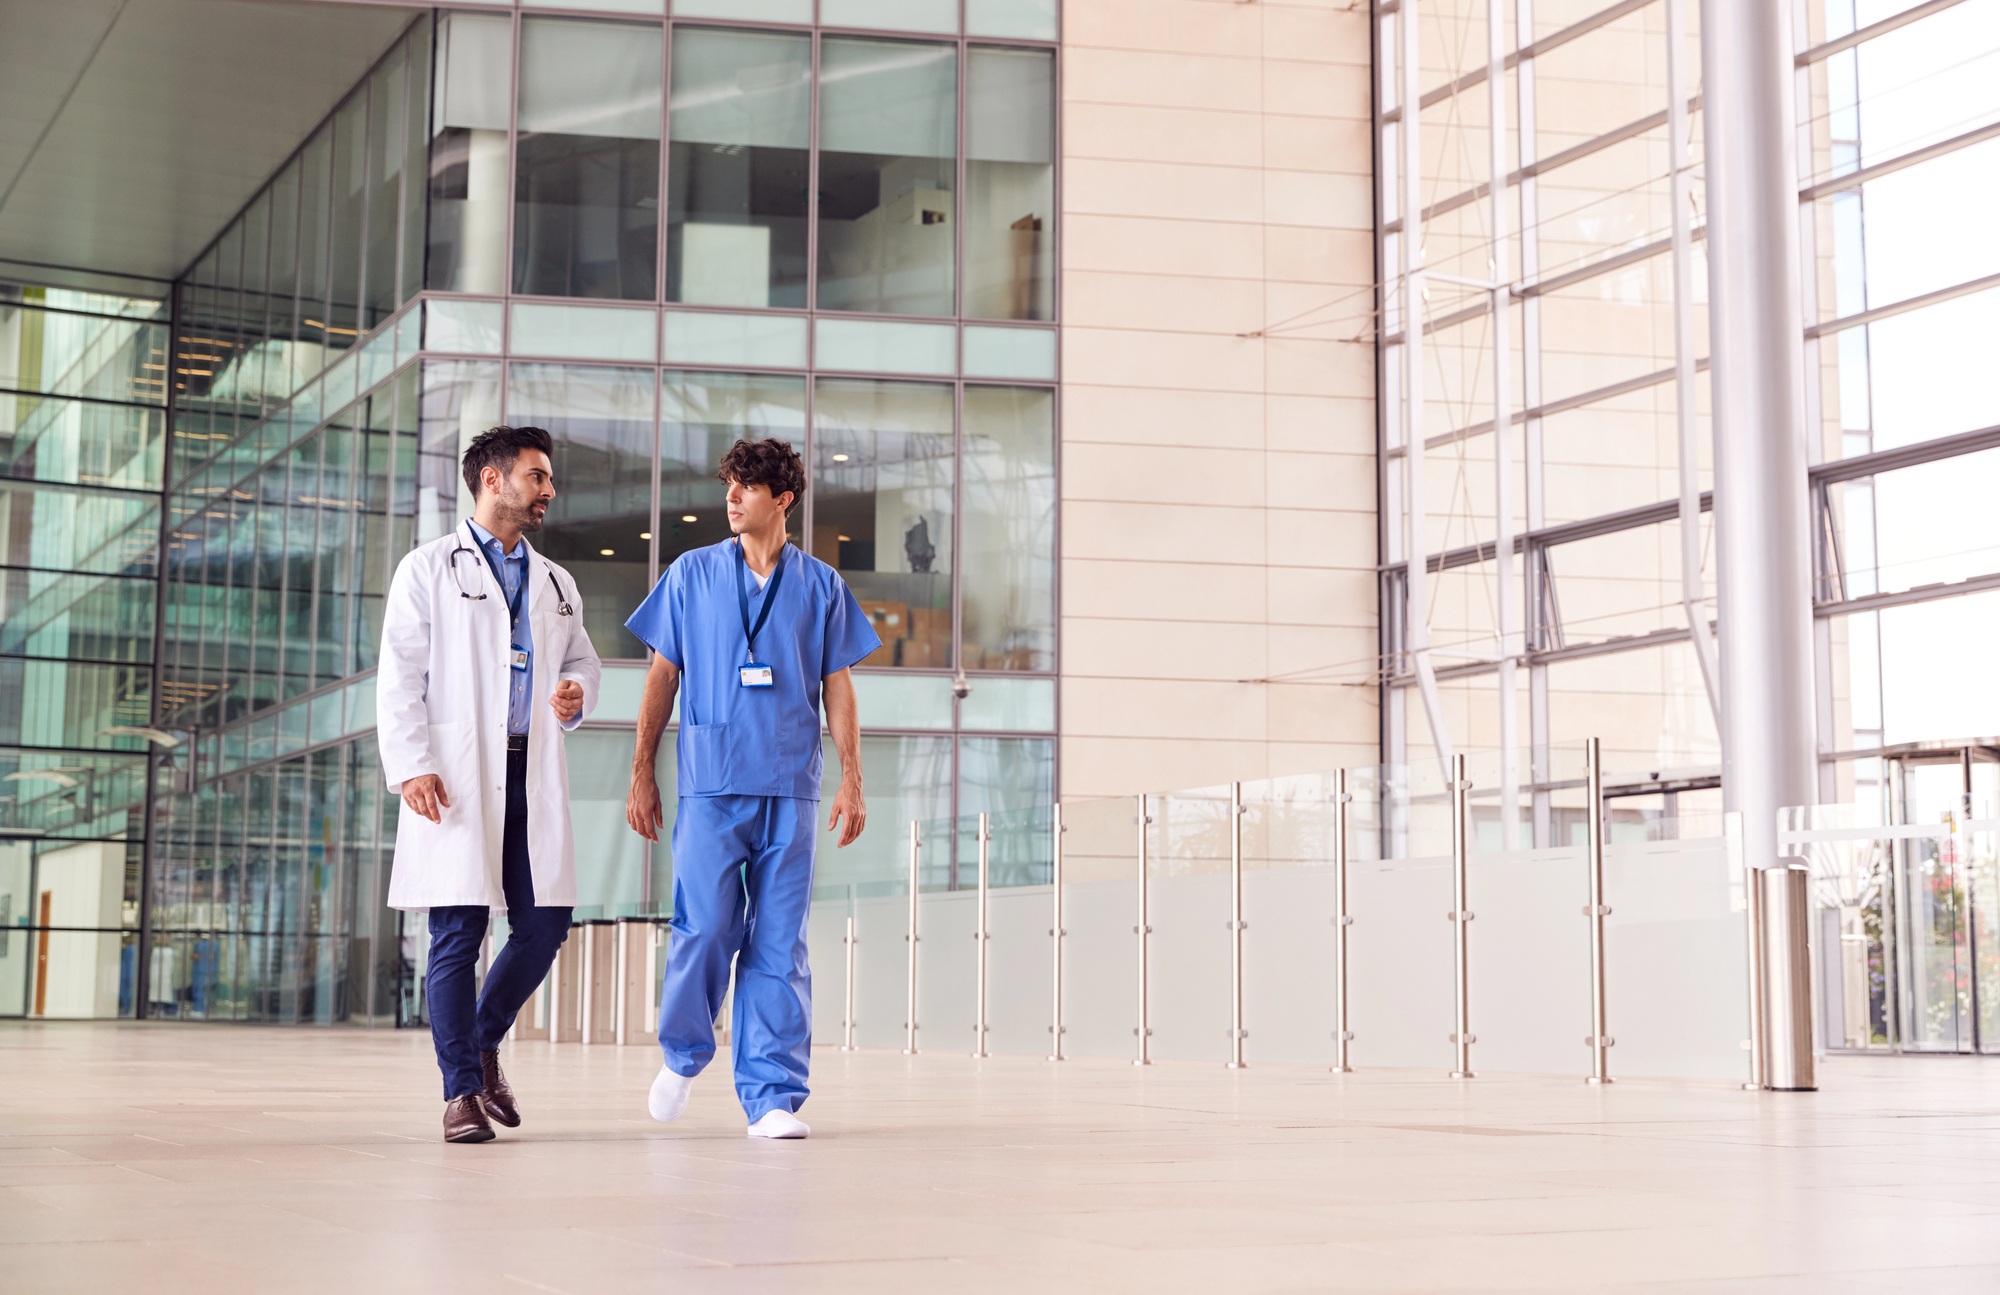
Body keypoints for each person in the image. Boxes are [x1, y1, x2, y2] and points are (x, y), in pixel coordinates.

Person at [625, 438, 878, 1140]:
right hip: (712, 782)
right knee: (706, 925)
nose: (732, 498)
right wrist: (642, 770)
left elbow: (838, 685)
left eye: (747, 487)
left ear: (783, 499)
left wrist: (852, 778)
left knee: (778, 942)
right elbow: (661, 676)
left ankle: (771, 1096)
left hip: (790, 785)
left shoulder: (821, 585)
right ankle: (683, 1054)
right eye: (729, 485)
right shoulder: (691, 574)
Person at [377, 425, 602, 1143]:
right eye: (538, 476)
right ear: (492, 480)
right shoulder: (426, 568)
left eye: (548, 478)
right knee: (458, 930)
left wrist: (575, 691)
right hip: (456, 774)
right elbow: (399, 676)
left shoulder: (557, 582)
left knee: (544, 923)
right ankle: (461, 1094)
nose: (549, 490)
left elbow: (583, 662)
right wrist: (411, 763)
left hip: (528, 768)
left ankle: (481, 1041)